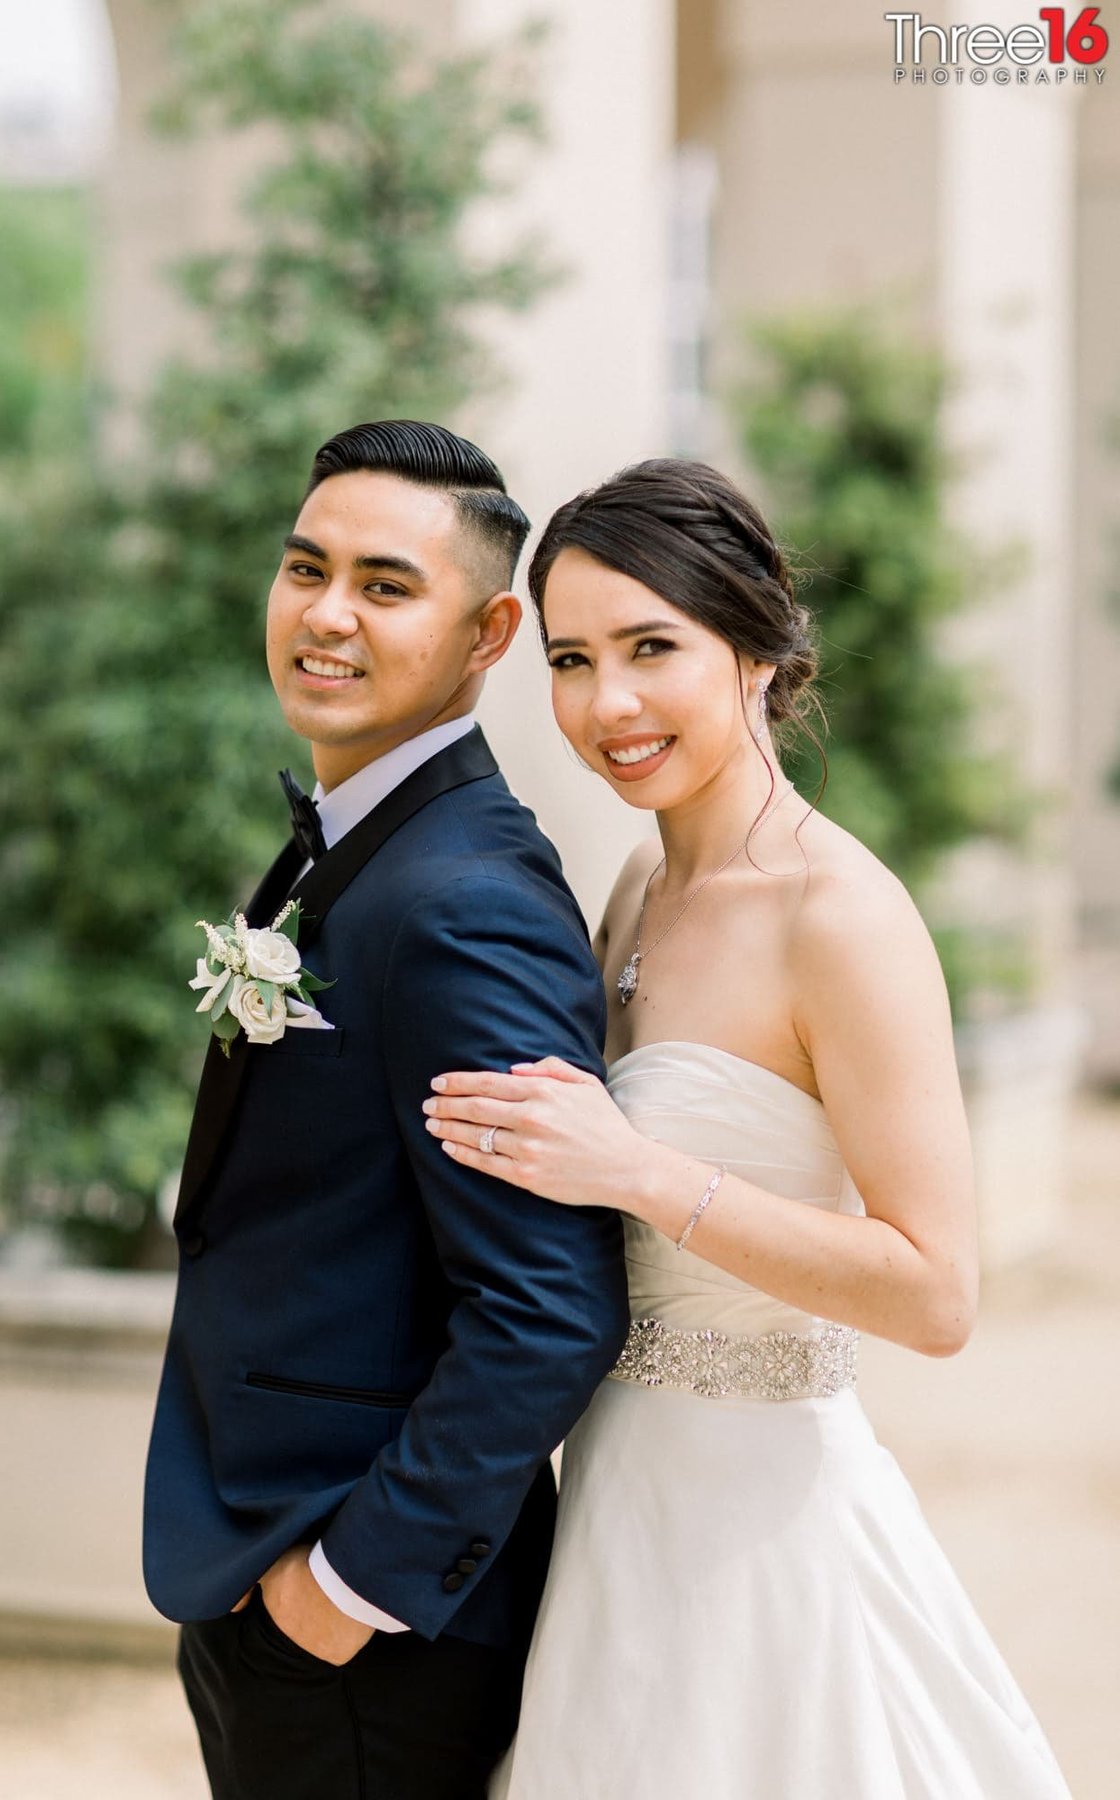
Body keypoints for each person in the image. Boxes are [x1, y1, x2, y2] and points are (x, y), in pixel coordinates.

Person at [424, 458, 1072, 1799]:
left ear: (760, 644)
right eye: (572, 658)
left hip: (766, 1528)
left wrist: (645, 1173)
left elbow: (938, 1293)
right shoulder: (639, 882)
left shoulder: (840, 916)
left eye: (652, 646)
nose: (609, 703)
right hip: (613, 1500)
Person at [142, 420, 630, 1800]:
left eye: (386, 584)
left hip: (371, 1625)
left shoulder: (469, 901)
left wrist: (344, 1591)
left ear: (488, 637)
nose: (327, 613)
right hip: (258, 1563)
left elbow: (551, 1306)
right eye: (308, 568)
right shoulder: (367, 840)